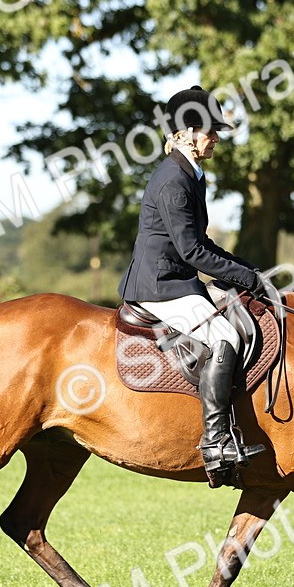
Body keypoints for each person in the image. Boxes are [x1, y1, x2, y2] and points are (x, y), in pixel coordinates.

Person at [118, 85, 267, 488]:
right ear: (186, 132)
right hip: (161, 285)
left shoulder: (191, 174)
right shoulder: (173, 180)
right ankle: (216, 442)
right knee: (224, 336)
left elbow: (203, 244)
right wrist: (245, 277)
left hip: (176, 278)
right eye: (210, 131)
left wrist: (248, 271)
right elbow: (191, 252)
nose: (216, 138)